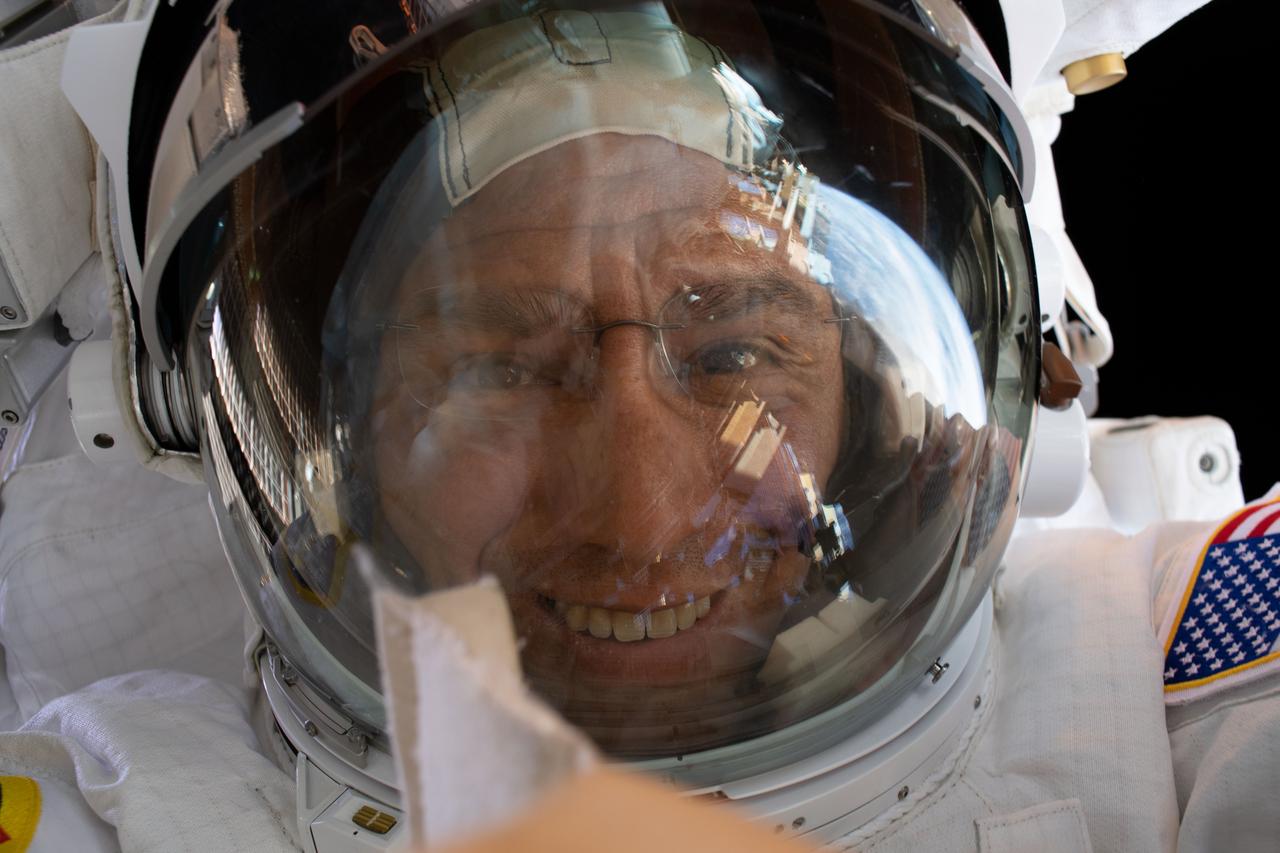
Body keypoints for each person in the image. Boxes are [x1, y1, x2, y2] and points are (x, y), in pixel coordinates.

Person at [0, 0, 1271, 851]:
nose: (643, 509)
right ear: (328, 447)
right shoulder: (124, 802)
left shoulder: (1173, 678)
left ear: (896, 406)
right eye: (497, 363)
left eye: (734, 351)